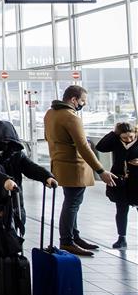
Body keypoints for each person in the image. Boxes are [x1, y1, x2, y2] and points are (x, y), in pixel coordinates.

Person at [0, 120, 57, 295]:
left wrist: (46, 177)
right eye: (2, 141)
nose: (5, 145)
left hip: (13, 207)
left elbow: (30, 167)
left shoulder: (16, 154)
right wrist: (5, 180)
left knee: (13, 243)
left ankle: (12, 282)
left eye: (9, 141)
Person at [45, 85, 117, 256]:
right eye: (83, 101)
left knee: (71, 202)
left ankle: (74, 236)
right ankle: (67, 241)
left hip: (59, 164)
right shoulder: (71, 117)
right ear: (73, 99)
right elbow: (83, 146)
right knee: (72, 204)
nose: (83, 104)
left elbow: (49, 138)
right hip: (74, 166)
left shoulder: (50, 114)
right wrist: (101, 170)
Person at [95, 122, 138, 249]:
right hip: (120, 181)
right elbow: (100, 147)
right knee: (121, 210)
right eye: (124, 137)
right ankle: (121, 238)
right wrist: (113, 134)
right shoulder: (115, 141)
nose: (129, 139)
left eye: (131, 136)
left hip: (136, 181)